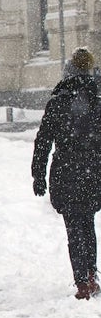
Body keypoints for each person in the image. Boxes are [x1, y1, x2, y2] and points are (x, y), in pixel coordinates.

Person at [32, 46, 101, 300]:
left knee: (74, 227)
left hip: (66, 170)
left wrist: (38, 174)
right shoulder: (97, 99)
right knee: (88, 224)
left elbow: (43, 140)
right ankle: (91, 275)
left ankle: (81, 281)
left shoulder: (58, 99)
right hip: (93, 170)